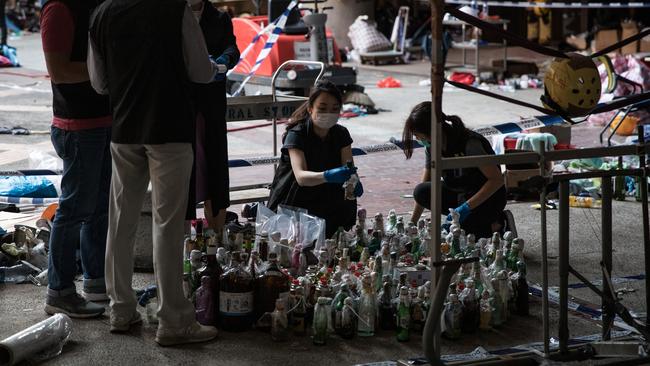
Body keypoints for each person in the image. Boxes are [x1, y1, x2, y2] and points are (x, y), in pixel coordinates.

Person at [88, 0, 221, 345]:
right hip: (169, 129)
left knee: (120, 221)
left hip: (124, 130)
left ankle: (120, 309)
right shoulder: (173, 8)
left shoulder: (102, 13)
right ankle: (173, 320)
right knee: (168, 224)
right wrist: (215, 67)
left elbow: (99, 83)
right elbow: (200, 71)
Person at [40, 0, 112, 318]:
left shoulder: (94, 7)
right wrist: (108, 73)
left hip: (102, 122)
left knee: (99, 209)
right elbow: (59, 71)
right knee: (72, 211)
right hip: (77, 128)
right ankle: (60, 290)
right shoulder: (59, 9)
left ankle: (96, 281)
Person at [267, 80, 363, 239]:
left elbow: (349, 168)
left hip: (328, 196)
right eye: (322, 108)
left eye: (335, 109)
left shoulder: (341, 134)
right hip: (297, 199)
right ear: (311, 108)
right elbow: (301, 177)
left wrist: (354, 181)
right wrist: (327, 175)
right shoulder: (297, 134)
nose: (329, 113)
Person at [402, 101, 507, 239]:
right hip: (460, 194)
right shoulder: (432, 147)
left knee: (459, 234)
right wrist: (412, 223)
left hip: (487, 197)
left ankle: (499, 224)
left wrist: (466, 208)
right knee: (421, 191)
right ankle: (477, 225)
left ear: (433, 131)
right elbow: (427, 181)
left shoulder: (469, 143)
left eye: (419, 135)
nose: (418, 139)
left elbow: (497, 180)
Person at [186, 0, 239, 233]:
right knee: (184, 171)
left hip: (212, 101)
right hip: (184, 103)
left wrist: (225, 59)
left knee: (215, 167)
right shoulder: (172, 15)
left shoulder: (219, 18)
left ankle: (217, 236)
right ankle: (185, 238)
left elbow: (232, 47)